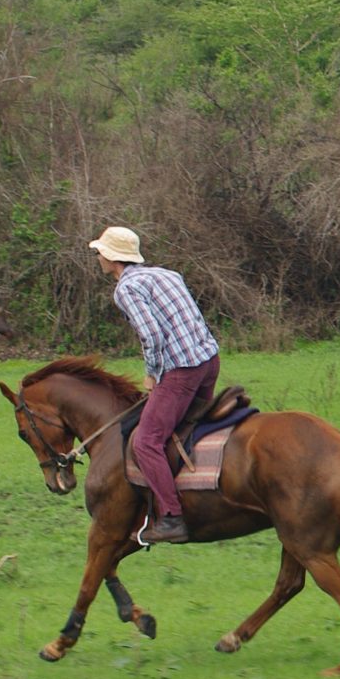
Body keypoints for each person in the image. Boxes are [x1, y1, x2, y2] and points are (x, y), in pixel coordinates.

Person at [88, 226, 220, 546]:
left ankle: (173, 517)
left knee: (146, 442)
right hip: (208, 361)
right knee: (186, 430)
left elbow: (152, 335)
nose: (98, 256)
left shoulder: (126, 289)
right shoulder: (167, 274)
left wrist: (152, 373)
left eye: (101, 252)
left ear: (112, 257)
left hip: (182, 372)